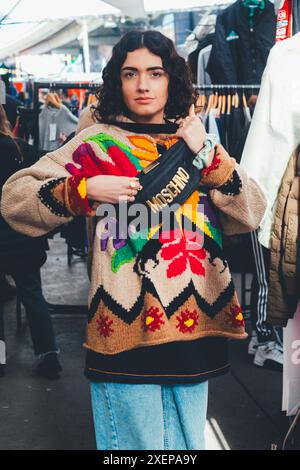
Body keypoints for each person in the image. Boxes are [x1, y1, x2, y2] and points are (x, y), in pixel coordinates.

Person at [1, 30, 267, 450]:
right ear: (117, 81)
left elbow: (252, 211)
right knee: (133, 449)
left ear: (170, 79)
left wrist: (210, 156)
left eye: (155, 73)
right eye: (131, 73)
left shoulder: (195, 142)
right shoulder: (95, 143)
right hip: (124, 331)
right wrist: (83, 189)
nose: (143, 85)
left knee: (186, 449)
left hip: (193, 329)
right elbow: (15, 200)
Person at [0, 104, 62, 380]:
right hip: (22, 234)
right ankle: (48, 355)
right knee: (33, 295)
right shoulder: (22, 149)